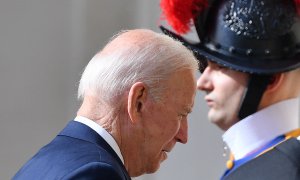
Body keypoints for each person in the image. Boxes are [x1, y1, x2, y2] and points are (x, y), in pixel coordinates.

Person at [13, 29, 198, 179]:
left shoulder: (45, 161)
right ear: (138, 102)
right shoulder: (97, 173)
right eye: (181, 114)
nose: (184, 136)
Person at [160, 0, 300, 179]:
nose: (201, 83)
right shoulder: (262, 159)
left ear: (271, 80)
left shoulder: (288, 167)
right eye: (206, 66)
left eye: (220, 67)